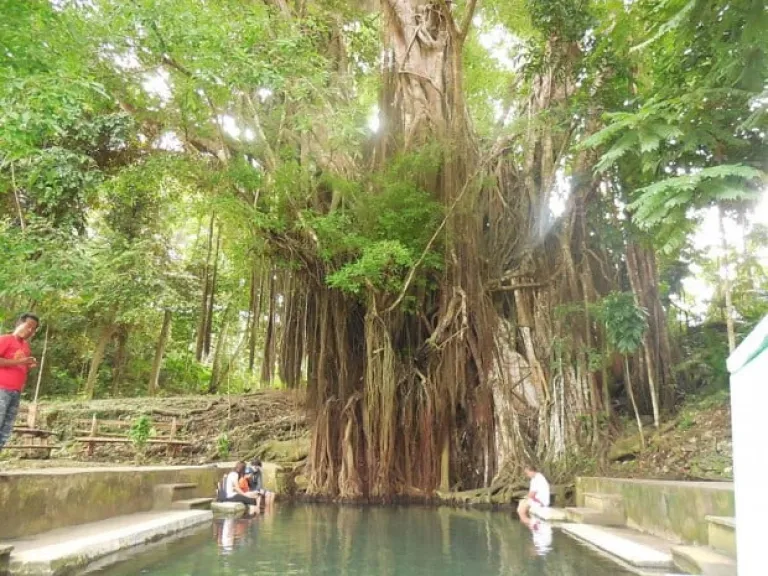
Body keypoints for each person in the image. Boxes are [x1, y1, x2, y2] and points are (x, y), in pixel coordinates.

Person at [0, 313, 39, 452]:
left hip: (15, 391)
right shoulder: (5, 339)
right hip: (2, 389)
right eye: (28, 326)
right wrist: (21, 361)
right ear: (19, 324)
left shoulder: (25, 347)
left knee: (6, 428)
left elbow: (19, 365)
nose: (30, 331)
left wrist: (28, 364)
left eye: (33, 329)